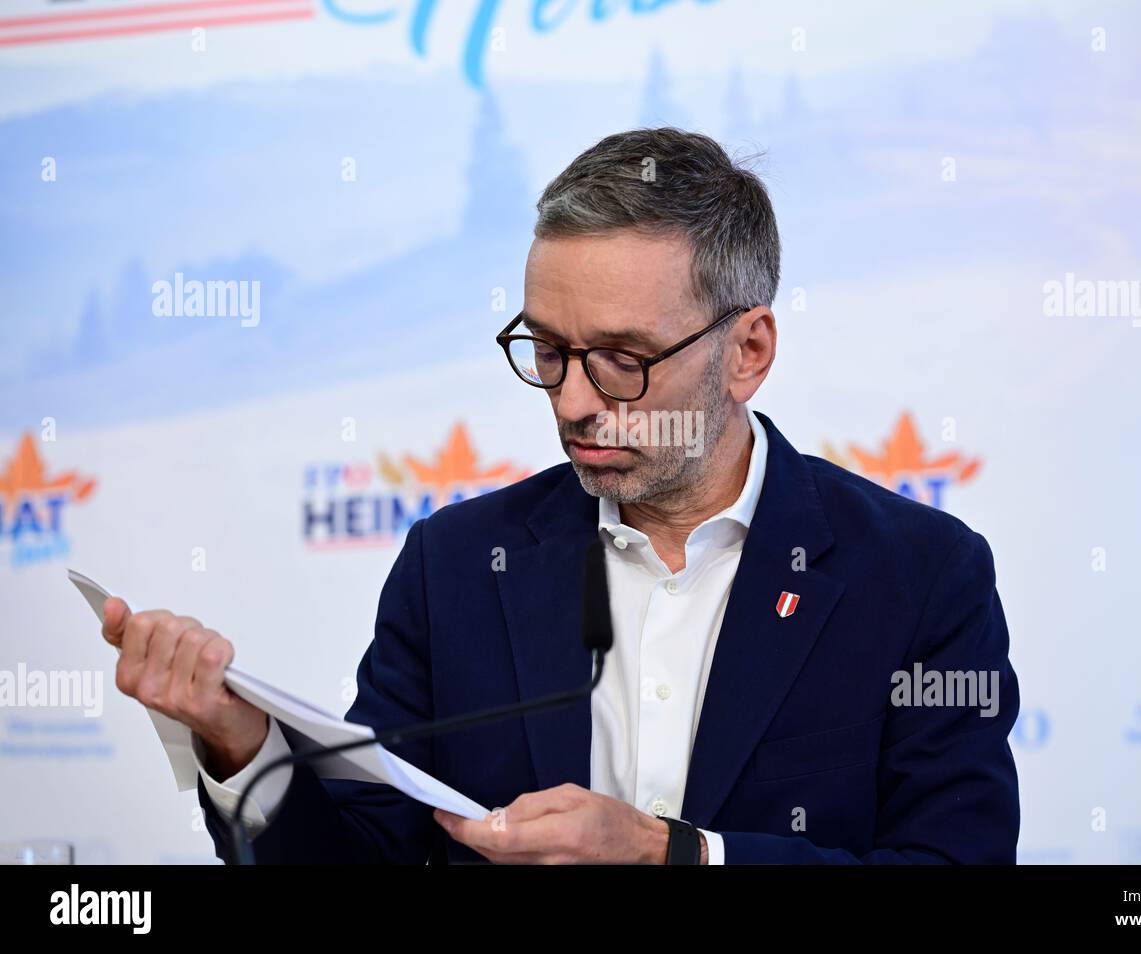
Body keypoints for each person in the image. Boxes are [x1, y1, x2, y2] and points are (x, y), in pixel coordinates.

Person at [101, 127, 1020, 864]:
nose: (574, 401)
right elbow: (365, 852)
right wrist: (240, 747)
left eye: (622, 359)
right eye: (548, 351)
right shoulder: (456, 566)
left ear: (748, 353)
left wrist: (681, 857)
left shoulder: (920, 576)